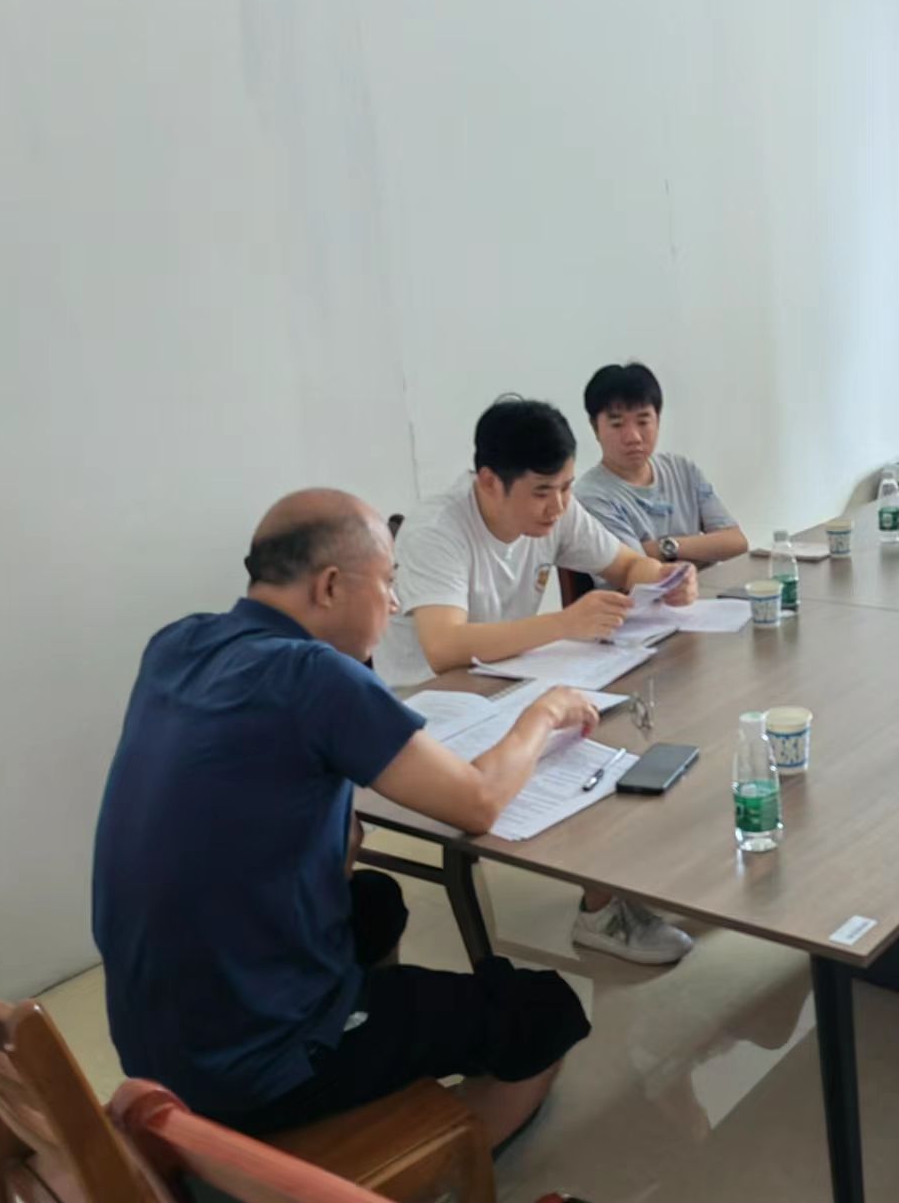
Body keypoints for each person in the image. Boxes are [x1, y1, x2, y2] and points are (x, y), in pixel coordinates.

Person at [92, 490, 594, 1143]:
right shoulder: (317, 675)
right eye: (387, 583)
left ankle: (360, 1069)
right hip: (251, 1064)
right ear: (330, 586)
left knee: (375, 901)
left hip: (155, 1046)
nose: (394, 604)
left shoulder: (177, 642)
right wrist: (544, 714)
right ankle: (422, 1169)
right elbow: (478, 802)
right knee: (544, 1010)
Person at [373, 395, 699, 964]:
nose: (559, 506)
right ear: (489, 482)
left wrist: (666, 578)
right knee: (582, 744)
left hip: (508, 680)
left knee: (620, 719)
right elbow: (443, 648)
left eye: (567, 487)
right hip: (432, 706)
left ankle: (621, 882)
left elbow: (626, 565)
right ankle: (602, 913)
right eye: (544, 492)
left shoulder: (556, 508)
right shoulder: (436, 530)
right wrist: (565, 623)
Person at [573, 362, 748, 567]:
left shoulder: (682, 469)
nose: (633, 437)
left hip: (707, 586)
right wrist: (703, 548)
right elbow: (633, 567)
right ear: (595, 428)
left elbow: (736, 543)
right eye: (617, 424)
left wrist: (664, 547)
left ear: (658, 421)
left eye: (643, 422)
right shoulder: (591, 496)